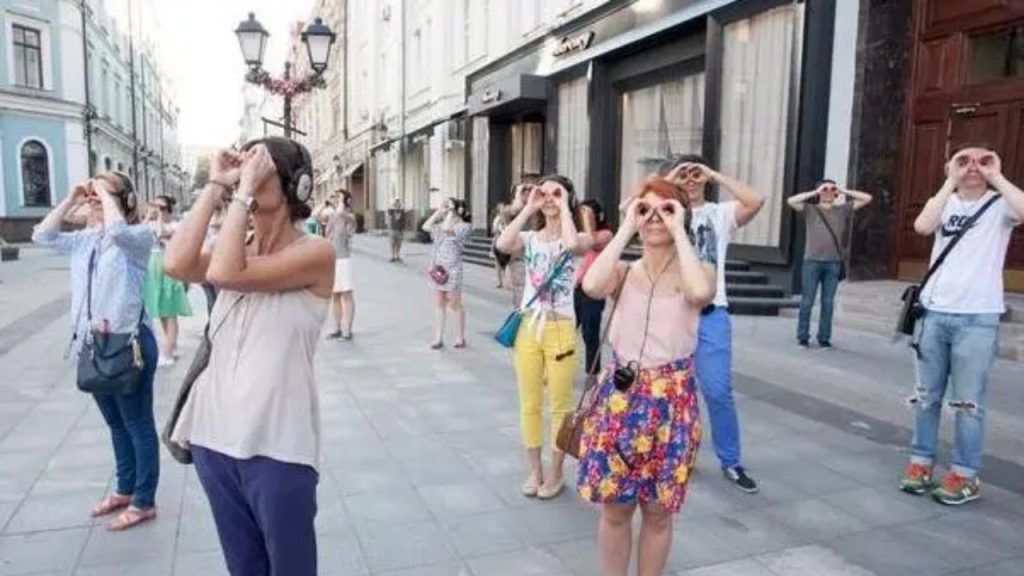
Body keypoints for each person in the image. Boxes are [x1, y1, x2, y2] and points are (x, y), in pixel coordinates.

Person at [163, 137, 334, 575]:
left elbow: (225, 274)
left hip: (277, 443)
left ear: (297, 186)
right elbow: (176, 264)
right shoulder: (234, 243)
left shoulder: (315, 253)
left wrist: (239, 195)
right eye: (247, 167)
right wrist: (217, 183)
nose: (250, 177)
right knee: (244, 568)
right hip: (213, 436)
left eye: (261, 169)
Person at [578, 177, 715, 576]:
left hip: (672, 404)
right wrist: (625, 226)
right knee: (615, 508)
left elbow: (700, 293)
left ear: (681, 214)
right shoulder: (622, 272)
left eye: (665, 208)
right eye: (645, 209)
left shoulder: (699, 267)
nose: (654, 217)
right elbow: (590, 285)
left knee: (658, 513)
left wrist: (678, 230)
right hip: (620, 399)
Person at [33, 171, 160, 531]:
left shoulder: (136, 239)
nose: (94, 200)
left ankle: (144, 499)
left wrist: (104, 194)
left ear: (126, 201)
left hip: (129, 345)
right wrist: (73, 198)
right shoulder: (85, 241)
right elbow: (42, 234)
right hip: (94, 345)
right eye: (93, 195)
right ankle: (124, 488)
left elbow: (118, 231)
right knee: (116, 425)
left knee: (137, 423)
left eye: (102, 195)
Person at [899, 145, 1024, 506]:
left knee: (969, 403)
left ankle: (965, 475)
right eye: (964, 160)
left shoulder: (1002, 205)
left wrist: (995, 174)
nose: (973, 166)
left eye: (981, 161)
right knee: (926, 398)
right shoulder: (945, 203)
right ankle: (920, 464)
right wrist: (949, 181)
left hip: (977, 318)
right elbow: (922, 225)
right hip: (934, 314)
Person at [661, 153, 764, 493]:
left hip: (711, 313)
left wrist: (714, 174)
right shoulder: (666, 212)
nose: (690, 180)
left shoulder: (719, 215)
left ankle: (731, 461)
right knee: (675, 392)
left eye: (695, 175)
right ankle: (678, 454)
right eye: (685, 175)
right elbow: (628, 208)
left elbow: (756, 199)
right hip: (673, 313)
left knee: (718, 391)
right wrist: (670, 180)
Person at [495, 175, 594, 500]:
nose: (549, 198)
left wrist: (565, 205)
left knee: (561, 407)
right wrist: (528, 207)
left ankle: (556, 473)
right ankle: (535, 470)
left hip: (561, 326)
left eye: (556, 193)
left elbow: (571, 245)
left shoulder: (576, 235)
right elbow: (502, 245)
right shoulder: (530, 237)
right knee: (530, 403)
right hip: (528, 327)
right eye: (544, 192)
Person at [787, 181, 873, 348]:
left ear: (836, 194)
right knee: (807, 301)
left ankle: (824, 338)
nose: (828, 192)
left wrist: (843, 190)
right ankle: (802, 336)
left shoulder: (841, 210)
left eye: (831, 190)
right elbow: (791, 201)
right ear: (820, 192)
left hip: (833, 263)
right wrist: (815, 190)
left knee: (828, 302)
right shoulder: (810, 210)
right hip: (811, 262)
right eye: (825, 189)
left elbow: (867, 198)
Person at [143, 195, 193, 366]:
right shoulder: (150, 224)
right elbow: (138, 237)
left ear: (169, 210)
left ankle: (168, 352)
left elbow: (159, 234)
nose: (158, 211)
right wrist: (149, 216)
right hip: (153, 269)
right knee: (163, 312)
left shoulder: (175, 226)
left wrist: (158, 217)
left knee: (170, 312)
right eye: (155, 206)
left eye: (162, 208)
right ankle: (173, 346)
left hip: (168, 269)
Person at [422, 197, 472, 349]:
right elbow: (426, 226)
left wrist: (450, 213)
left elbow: (448, 231)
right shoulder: (441, 225)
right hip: (439, 268)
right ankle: (438, 338)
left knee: (454, 302)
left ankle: (460, 337)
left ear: (458, 210)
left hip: (453, 269)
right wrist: (438, 212)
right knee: (439, 302)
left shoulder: (464, 226)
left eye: (449, 207)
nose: (446, 210)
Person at [575, 198, 615, 389]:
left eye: (589, 214)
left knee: (590, 333)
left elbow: (593, 244)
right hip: (578, 287)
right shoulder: (584, 233)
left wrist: (588, 221)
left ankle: (593, 372)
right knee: (568, 328)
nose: (585, 217)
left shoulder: (606, 234)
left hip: (595, 289)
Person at [315, 190, 357, 340]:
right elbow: (316, 216)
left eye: (339, 198)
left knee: (347, 294)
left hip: (344, 259)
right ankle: (337, 328)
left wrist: (341, 201)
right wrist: (324, 202)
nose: (336, 200)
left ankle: (347, 330)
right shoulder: (332, 216)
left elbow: (342, 215)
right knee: (335, 295)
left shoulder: (349, 217)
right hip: (332, 259)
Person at [492, 203, 512, 288]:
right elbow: (494, 230)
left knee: (506, 262)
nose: (502, 209)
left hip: (507, 242)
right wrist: (498, 227)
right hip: (498, 241)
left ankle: (506, 281)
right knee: (497, 262)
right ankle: (499, 281)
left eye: (503, 208)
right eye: (500, 208)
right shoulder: (497, 219)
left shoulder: (508, 219)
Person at [387, 197, 406, 262]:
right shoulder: (392, 211)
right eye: (396, 203)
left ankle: (397, 256)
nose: (397, 204)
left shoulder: (402, 211)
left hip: (400, 230)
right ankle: (392, 256)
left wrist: (401, 205)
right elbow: (389, 209)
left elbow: (404, 209)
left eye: (398, 202)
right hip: (393, 229)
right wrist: (393, 203)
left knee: (399, 244)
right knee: (392, 243)